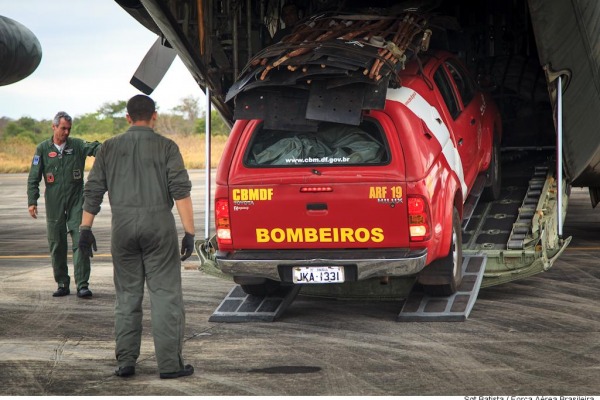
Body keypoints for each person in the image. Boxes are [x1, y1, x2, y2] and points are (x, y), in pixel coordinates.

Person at [78, 94, 196, 380]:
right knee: (166, 296)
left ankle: (126, 362)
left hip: (123, 228)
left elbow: (93, 190)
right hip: (159, 227)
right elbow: (180, 190)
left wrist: (85, 228)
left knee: (127, 296)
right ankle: (169, 365)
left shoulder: (108, 148)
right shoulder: (167, 147)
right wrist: (190, 232)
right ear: (154, 116)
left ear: (128, 117)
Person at [27, 111, 101, 298]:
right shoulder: (43, 149)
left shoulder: (77, 145)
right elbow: (33, 177)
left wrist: (111, 149)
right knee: (57, 243)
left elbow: (96, 148)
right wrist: (32, 200)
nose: (66, 132)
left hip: (77, 200)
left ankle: (82, 284)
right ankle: (62, 283)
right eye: (63, 128)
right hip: (54, 202)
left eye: (69, 129)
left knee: (80, 239)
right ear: (54, 127)